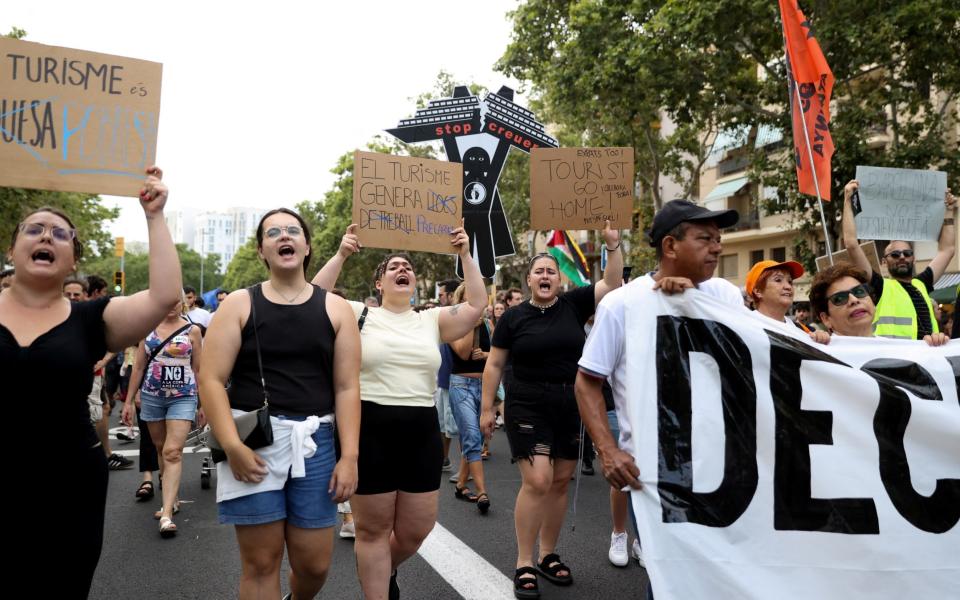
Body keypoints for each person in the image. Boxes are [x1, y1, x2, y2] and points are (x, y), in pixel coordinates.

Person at [0, 167, 181, 598]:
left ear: (73, 259)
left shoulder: (90, 319)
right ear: (12, 247)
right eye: (35, 230)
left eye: (60, 234)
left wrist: (154, 216)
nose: (46, 237)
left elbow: (163, 296)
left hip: (70, 482)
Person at [574, 200, 743, 600]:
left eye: (718, 239)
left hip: (728, 467)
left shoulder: (725, 295)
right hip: (654, 474)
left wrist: (691, 306)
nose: (717, 247)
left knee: (723, 579)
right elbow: (586, 382)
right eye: (705, 239)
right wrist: (609, 450)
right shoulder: (621, 304)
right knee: (672, 581)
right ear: (670, 246)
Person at [313, 221, 486, 600]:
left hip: (420, 430)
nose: (402, 269)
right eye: (393, 266)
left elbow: (476, 306)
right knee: (372, 532)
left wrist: (465, 254)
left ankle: (382, 569)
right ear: (379, 284)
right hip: (369, 427)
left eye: (407, 266)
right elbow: (312, 299)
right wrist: (342, 253)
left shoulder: (431, 319)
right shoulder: (357, 314)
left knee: (415, 529)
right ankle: (377, 587)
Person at [199, 208, 360, 600]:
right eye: (273, 233)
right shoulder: (239, 304)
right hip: (253, 442)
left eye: (292, 231)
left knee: (315, 566)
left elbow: (347, 387)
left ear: (306, 247)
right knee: (260, 565)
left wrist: (349, 456)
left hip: (316, 444)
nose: (283, 236)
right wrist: (232, 447)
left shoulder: (337, 309)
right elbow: (211, 379)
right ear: (262, 251)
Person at [480, 221, 623, 599]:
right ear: (529, 281)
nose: (545, 276)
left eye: (551, 272)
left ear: (559, 280)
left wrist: (614, 245)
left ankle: (547, 554)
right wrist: (487, 407)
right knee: (539, 480)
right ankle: (523, 561)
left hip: (570, 403)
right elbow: (494, 365)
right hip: (526, 401)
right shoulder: (512, 318)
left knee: (560, 481)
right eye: (539, 272)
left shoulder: (575, 304)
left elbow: (611, 284)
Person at [122, 297, 203, 537]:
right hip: (152, 396)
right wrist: (128, 400)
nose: (171, 306)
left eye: (176, 301)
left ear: (182, 304)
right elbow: (138, 367)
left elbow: (199, 369)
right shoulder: (147, 329)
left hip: (183, 395)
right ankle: (172, 496)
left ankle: (166, 514)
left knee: (172, 451)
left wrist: (204, 404)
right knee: (160, 448)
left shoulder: (193, 330)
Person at [842, 179, 957, 339]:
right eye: (895, 255)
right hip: (893, 361)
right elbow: (852, 245)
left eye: (907, 253)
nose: (902, 257)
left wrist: (949, 211)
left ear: (914, 259)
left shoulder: (922, 284)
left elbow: (948, 250)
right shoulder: (880, 286)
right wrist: (848, 200)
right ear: (884, 262)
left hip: (926, 359)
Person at [809, 263, 949, 347]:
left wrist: (935, 350)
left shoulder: (898, 350)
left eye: (859, 291)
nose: (853, 300)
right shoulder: (819, 354)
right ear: (826, 318)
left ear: (873, 303)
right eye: (839, 298)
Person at [448, 283, 492, 514]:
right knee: (473, 436)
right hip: (461, 386)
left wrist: (486, 354)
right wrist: (471, 323)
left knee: (473, 435)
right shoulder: (453, 324)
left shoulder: (487, 324)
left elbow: (497, 354)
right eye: (469, 298)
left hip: (482, 385)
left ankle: (462, 484)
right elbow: (463, 352)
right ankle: (483, 492)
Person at [745, 260, 830, 342]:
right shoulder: (744, 326)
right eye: (778, 280)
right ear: (758, 291)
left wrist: (821, 340)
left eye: (790, 282)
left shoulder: (806, 332)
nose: (788, 287)